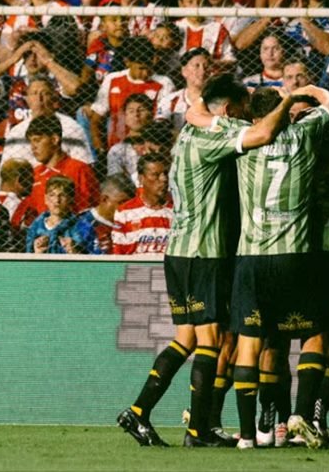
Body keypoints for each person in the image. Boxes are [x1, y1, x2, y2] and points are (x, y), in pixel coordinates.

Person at [117, 73, 290, 447]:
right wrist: (290, 102)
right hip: (204, 252)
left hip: (178, 250)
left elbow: (198, 105)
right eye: (242, 110)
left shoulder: (187, 136)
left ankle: (139, 412)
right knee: (209, 340)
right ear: (228, 111)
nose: (247, 116)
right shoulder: (215, 138)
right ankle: (198, 431)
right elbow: (260, 136)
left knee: (186, 339)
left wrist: (205, 108)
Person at [201, 86, 329, 450]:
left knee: (250, 343)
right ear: (284, 109)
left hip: (251, 257)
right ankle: (301, 416)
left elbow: (198, 111)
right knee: (315, 336)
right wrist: (303, 92)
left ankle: (247, 436)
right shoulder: (304, 133)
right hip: (295, 255)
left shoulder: (242, 137)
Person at [88, 36, 174, 153]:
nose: (146, 72)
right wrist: (99, 147)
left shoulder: (164, 83)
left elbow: (163, 124)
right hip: (116, 148)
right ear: (127, 62)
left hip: (149, 151)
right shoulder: (112, 79)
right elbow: (96, 120)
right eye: (141, 68)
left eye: (149, 66)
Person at [17, 114, 98, 227]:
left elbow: (87, 211)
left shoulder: (79, 169)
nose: (33, 147)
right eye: (31, 142)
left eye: (37, 140)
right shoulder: (34, 173)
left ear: (55, 139)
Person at [0, 76, 94, 168]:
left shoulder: (71, 127)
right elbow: (5, 170)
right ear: (27, 99)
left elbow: (84, 165)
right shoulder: (16, 132)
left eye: (45, 93)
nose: (39, 98)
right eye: (34, 93)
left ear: (53, 98)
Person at [112, 152, 172, 254]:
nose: (164, 179)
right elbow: (119, 254)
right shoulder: (125, 212)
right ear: (141, 179)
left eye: (165, 173)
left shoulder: (179, 210)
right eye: (155, 175)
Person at [72, 173, 134, 254]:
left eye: (131, 203)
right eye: (122, 203)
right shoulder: (83, 225)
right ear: (104, 199)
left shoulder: (133, 222)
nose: (127, 208)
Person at [155, 48, 210, 132]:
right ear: (184, 71)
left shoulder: (218, 99)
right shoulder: (170, 100)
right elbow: (160, 128)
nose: (202, 71)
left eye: (206, 66)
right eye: (196, 66)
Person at [25, 175, 83, 253]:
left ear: (71, 199)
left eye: (62, 195)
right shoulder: (35, 227)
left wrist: (74, 252)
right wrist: (37, 253)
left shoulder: (79, 226)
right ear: (46, 199)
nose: (57, 200)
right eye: (52, 195)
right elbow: (28, 257)